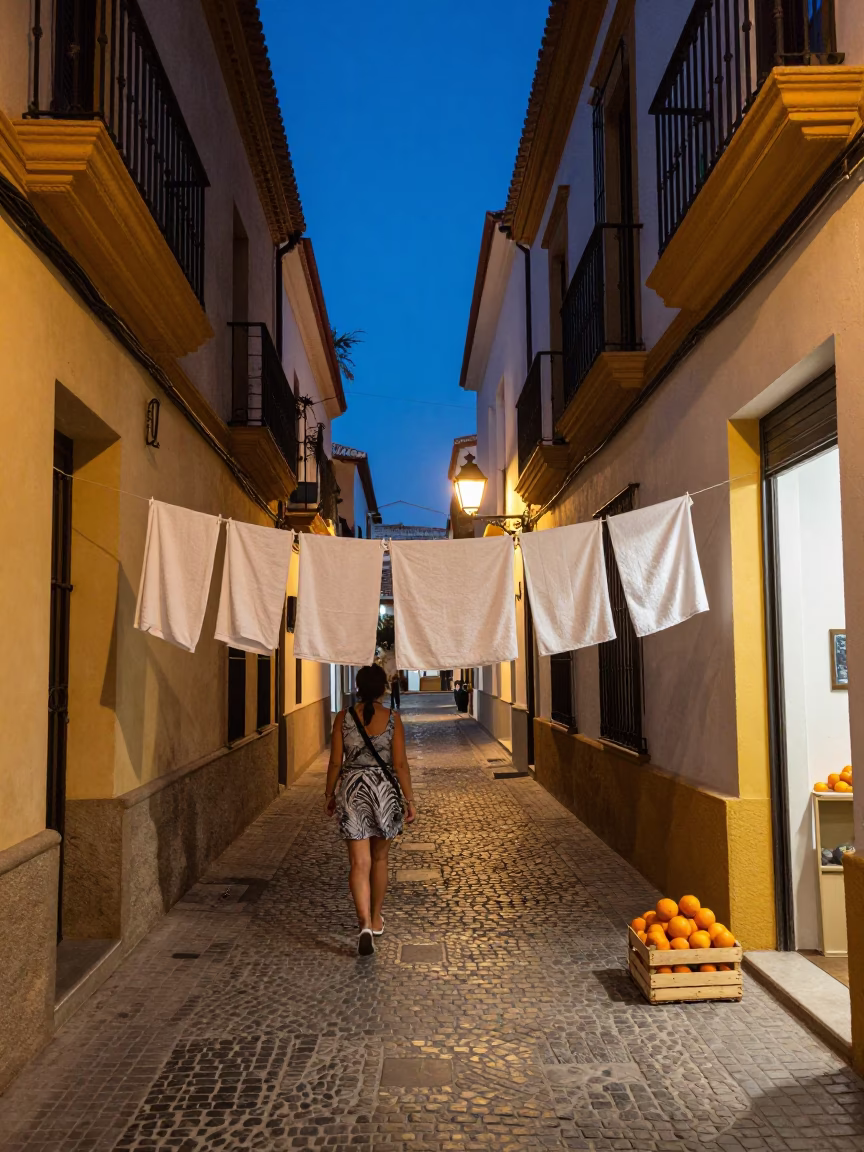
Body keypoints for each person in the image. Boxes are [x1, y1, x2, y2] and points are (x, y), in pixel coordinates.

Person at [324, 664, 416, 956]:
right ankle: (376, 918)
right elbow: (400, 764)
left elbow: (335, 762)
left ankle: (363, 923)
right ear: (383, 689)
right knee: (379, 859)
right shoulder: (393, 719)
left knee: (358, 863)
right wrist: (410, 800)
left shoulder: (343, 717)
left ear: (357, 686)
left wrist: (329, 793)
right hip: (384, 791)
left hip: (352, 790)